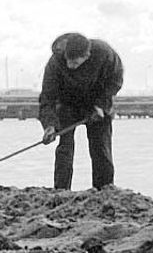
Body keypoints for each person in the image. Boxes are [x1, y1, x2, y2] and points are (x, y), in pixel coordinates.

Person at [39, 33, 123, 190]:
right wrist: (49, 125)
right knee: (65, 148)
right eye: (68, 61)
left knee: (101, 148)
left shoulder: (105, 53)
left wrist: (101, 105)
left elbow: (116, 80)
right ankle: (61, 190)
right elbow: (47, 97)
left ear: (87, 56)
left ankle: (104, 190)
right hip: (67, 103)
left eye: (75, 63)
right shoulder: (55, 62)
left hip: (97, 103)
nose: (70, 66)